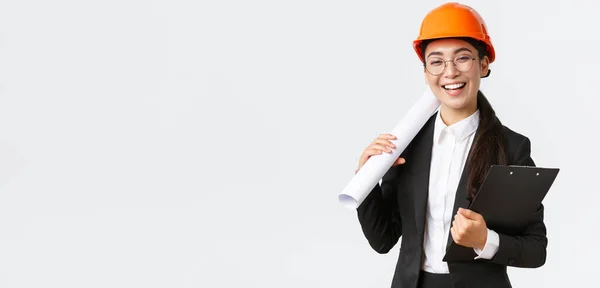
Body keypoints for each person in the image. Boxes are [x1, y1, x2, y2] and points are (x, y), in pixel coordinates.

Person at [354, 2, 547, 288]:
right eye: (437, 61)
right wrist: (365, 179)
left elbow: (534, 249)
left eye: (462, 58)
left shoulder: (512, 147)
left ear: (483, 64)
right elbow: (383, 240)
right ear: (425, 71)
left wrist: (485, 241)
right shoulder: (407, 144)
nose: (450, 72)